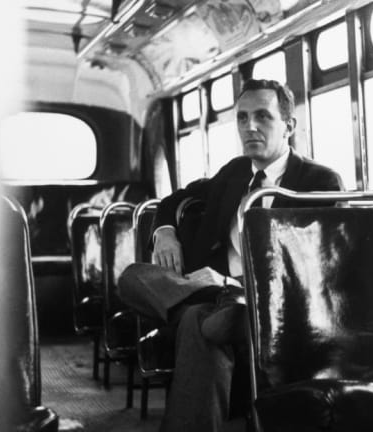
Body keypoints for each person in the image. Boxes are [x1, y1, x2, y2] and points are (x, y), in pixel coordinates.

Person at [119, 79, 343, 432]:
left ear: (289, 125)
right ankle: (222, 302)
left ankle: (226, 301)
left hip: (271, 306)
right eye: (241, 118)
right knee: (133, 276)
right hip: (217, 297)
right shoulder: (234, 174)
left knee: (196, 322)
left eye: (262, 117)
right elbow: (174, 200)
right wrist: (164, 233)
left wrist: (230, 283)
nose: (249, 127)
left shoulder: (319, 181)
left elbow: (313, 272)